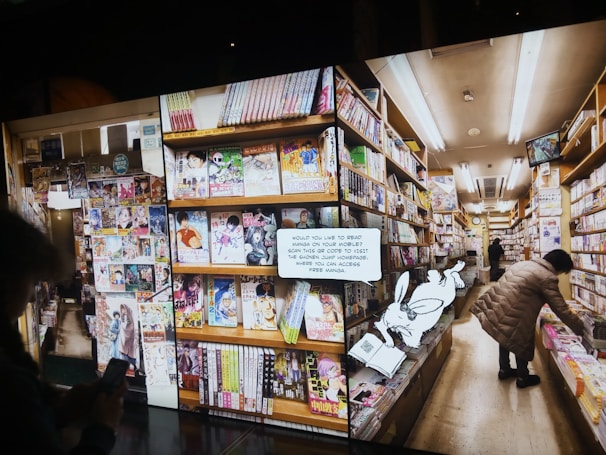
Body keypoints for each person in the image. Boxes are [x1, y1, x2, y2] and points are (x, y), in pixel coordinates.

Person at [0, 208, 126, 454]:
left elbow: (22, 432)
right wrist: (103, 428)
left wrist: (64, 409)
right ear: (8, 282)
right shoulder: (11, 384)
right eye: (32, 282)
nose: (29, 298)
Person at [470, 249, 584, 389]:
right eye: (561, 272)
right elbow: (561, 309)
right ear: (558, 267)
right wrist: (583, 328)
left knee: (504, 333)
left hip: (500, 306)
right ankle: (523, 377)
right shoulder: (547, 277)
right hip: (517, 311)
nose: (559, 275)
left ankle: (504, 369)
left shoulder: (523, 264)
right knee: (521, 339)